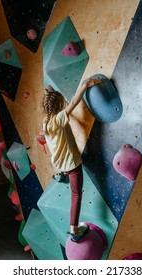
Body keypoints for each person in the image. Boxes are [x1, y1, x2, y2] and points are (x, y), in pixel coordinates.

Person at [41, 78, 101, 242]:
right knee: (76, 195)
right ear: (59, 106)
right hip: (72, 164)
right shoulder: (60, 118)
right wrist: (85, 86)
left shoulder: (45, 122)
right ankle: (74, 230)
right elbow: (74, 102)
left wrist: (50, 93)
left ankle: (60, 175)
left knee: (61, 165)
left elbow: (53, 106)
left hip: (58, 163)